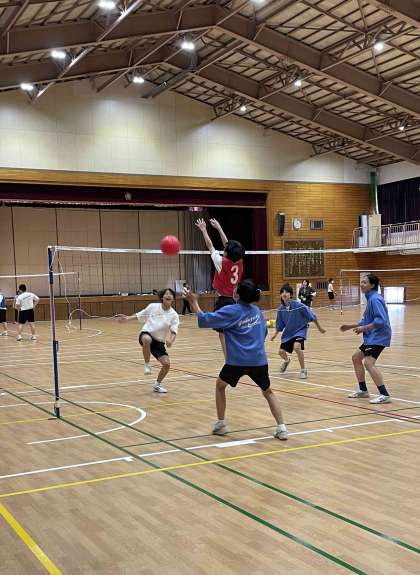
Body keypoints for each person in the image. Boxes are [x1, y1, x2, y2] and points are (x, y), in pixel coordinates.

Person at [184, 279, 288, 440]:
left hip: (237, 361)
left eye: (236, 288)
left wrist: (193, 302)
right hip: (259, 360)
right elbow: (264, 333)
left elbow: (205, 319)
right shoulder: (257, 311)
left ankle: (221, 425)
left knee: (220, 386)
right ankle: (282, 428)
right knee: (268, 391)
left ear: (237, 295)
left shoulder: (231, 310)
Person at [195, 217, 245, 357]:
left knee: (223, 333)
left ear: (227, 253)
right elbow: (227, 245)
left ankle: (229, 359)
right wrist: (219, 228)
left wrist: (204, 230)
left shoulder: (221, 262)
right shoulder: (239, 261)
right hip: (236, 301)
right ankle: (237, 355)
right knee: (232, 331)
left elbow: (210, 246)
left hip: (224, 301)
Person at [340, 274, 392, 404]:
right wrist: (349, 326)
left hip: (379, 336)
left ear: (372, 285)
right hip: (372, 337)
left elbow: (381, 321)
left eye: (364, 282)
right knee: (356, 358)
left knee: (369, 363)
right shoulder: (370, 298)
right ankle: (363, 390)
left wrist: (364, 328)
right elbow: (366, 320)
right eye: (361, 282)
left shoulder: (375, 299)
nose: (361, 284)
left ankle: (384, 394)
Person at [117, 288, 179, 394]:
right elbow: (140, 315)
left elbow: (174, 331)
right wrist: (128, 318)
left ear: (173, 298)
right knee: (147, 339)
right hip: (146, 334)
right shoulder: (153, 306)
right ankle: (147, 364)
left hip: (159, 342)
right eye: (166, 294)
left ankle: (157, 385)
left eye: (171, 294)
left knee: (166, 364)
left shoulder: (174, 315)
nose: (168, 295)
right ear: (162, 297)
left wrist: (170, 341)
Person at [271, 284, 326, 379]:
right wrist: (275, 335)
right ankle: (286, 361)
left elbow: (312, 316)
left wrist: (319, 328)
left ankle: (303, 370)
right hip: (288, 333)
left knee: (297, 347)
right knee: (281, 352)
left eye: (286, 292)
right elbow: (280, 324)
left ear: (291, 295)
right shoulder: (281, 309)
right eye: (282, 292)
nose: (284, 294)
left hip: (300, 330)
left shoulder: (299, 306)